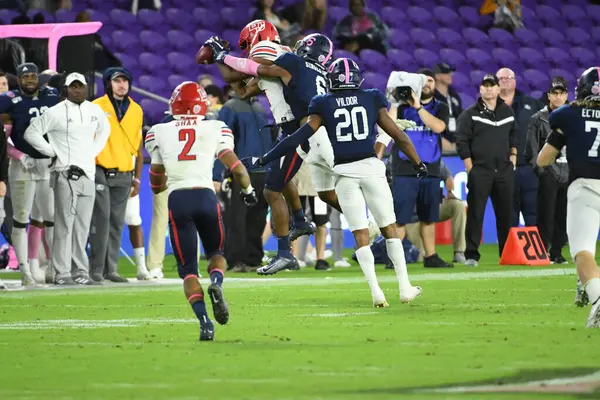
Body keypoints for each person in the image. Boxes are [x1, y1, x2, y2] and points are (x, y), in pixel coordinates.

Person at [244, 58, 425, 305]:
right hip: (371, 169)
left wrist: (265, 158)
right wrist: (418, 163)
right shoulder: (372, 97)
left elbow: (297, 137)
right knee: (389, 229)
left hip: (343, 174)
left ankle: (376, 292)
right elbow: (399, 136)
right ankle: (404, 288)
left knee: (361, 234)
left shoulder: (323, 103)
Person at [207, 31, 345, 274]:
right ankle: (305, 221)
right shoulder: (319, 71)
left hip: (300, 129)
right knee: (319, 191)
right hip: (317, 131)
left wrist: (223, 56)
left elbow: (254, 67)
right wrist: (223, 60)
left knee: (272, 191)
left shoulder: (291, 60)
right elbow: (243, 89)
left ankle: (285, 253)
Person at [145, 81, 258, 340]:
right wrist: (249, 192)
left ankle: (205, 321)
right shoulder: (216, 127)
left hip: (178, 199)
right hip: (206, 196)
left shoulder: (159, 131)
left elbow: (156, 180)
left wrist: (161, 185)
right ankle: (216, 284)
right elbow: (238, 168)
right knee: (217, 253)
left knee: (188, 271)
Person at [24, 72, 110, 285]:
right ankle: (62, 273)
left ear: (86, 87)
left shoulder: (94, 110)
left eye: (81, 86)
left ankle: (81, 272)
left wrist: (92, 151)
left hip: (88, 174)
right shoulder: (56, 112)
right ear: (66, 89)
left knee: (82, 227)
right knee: (64, 226)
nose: (77, 89)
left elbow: (105, 130)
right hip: (65, 172)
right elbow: (31, 133)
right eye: (73, 86)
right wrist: (52, 152)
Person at [536, 66, 600, 328]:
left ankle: (597, 297)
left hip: (585, 186)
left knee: (583, 251)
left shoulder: (567, 115)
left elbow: (543, 160)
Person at [377, 68, 453, 268]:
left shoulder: (441, 107)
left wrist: (418, 107)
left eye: (430, 81)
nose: (427, 84)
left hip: (431, 169)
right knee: (400, 218)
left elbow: (439, 128)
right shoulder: (401, 108)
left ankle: (431, 256)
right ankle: (395, 258)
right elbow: (389, 125)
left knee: (428, 217)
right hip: (404, 169)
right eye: (423, 81)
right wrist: (394, 102)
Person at [0, 62, 59, 285]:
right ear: (19, 79)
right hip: (22, 165)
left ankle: (54, 267)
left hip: (48, 163)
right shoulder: (10, 99)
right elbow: (2, 137)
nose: (30, 80)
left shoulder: (52, 97)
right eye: (26, 77)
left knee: (50, 217)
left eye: (33, 76)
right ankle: (25, 270)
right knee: (21, 218)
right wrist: (18, 155)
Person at [456, 74, 517, 266]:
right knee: (475, 213)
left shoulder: (507, 112)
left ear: (499, 89)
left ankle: (506, 254)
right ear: (480, 89)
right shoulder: (470, 113)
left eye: (492, 86)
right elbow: (462, 140)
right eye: (485, 86)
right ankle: (472, 255)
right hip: (480, 170)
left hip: (504, 171)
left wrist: (513, 157)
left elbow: (514, 136)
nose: (489, 89)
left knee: (506, 214)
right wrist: (469, 166)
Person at [90, 67, 143, 283]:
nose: (122, 85)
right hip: (99, 168)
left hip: (124, 171)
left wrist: (137, 177)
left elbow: (138, 146)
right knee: (101, 220)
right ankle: (95, 270)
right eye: (117, 81)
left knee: (116, 223)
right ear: (108, 84)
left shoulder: (137, 110)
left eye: (125, 81)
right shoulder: (95, 107)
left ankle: (110, 269)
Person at [524, 77, 569, 264]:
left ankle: (557, 251)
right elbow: (531, 150)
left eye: (561, 93)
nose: (558, 97)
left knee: (563, 216)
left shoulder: (572, 117)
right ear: (549, 96)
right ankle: (542, 251)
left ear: (567, 95)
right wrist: (541, 172)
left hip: (568, 172)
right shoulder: (538, 118)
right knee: (546, 214)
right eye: (554, 93)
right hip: (549, 173)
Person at [496, 67, 543, 227]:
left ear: (515, 81)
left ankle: (537, 251)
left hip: (529, 168)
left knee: (534, 214)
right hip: (502, 168)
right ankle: (510, 252)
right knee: (508, 215)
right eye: (501, 78)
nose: (505, 81)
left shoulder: (531, 103)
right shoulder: (487, 106)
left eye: (509, 77)